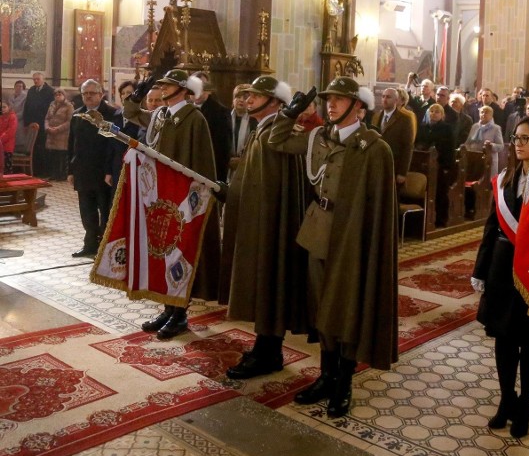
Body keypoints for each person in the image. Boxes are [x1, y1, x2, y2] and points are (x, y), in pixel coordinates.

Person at [269, 76, 398, 418]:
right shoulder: (318, 138)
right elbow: (277, 141)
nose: (331, 104)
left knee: (346, 309)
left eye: (340, 99)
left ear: (358, 106)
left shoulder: (373, 147)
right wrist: (288, 113)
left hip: (351, 237)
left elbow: (379, 208)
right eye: (329, 99)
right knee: (320, 307)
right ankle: (326, 375)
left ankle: (344, 381)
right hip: (319, 230)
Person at [221, 76, 312, 379]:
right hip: (257, 219)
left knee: (270, 283)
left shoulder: (281, 133)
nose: (248, 100)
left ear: (275, 102)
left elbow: (278, 187)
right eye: (247, 95)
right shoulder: (262, 129)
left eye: (256, 96)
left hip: (272, 224)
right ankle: (266, 346)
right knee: (261, 285)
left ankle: (270, 349)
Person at [123, 69, 221, 339]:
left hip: (183, 197)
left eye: (167, 86)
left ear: (182, 89)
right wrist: (136, 97)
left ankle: (180, 314)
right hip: (160, 193)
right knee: (163, 251)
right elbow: (131, 115)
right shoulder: (159, 115)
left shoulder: (194, 119)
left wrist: (195, 199)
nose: (163, 90)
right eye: (161, 86)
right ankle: (168, 308)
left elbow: (201, 162)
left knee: (181, 252)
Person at [472, 117, 529, 438]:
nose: (518, 143)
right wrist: (480, 269)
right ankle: (506, 400)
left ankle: (526, 403)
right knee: (504, 339)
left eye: (526, 138)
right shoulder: (505, 179)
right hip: (502, 268)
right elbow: (491, 226)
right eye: (516, 137)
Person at [67, 80, 119, 258]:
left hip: (103, 172)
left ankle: (104, 246)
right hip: (82, 171)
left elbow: (112, 145)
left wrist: (109, 170)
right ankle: (89, 244)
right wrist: (70, 170)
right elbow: (72, 145)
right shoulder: (77, 115)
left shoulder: (111, 113)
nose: (88, 96)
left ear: (100, 94)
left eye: (92, 93)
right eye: (85, 93)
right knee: (86, 211)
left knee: (105, 211)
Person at [415, 104, 456, 227]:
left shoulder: (447, 128)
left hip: (441, 165)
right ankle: (423, 218)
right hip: (424, 164)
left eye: (437, 112)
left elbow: (450, 148)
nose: (433, 113)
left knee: (440, 193)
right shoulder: (423, 127)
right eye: (431, 111)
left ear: (442, 115)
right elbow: (418, 142)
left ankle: (441, 219)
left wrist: (447, 167)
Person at [192, 71, 233, 181]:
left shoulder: (220, 112)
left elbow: (223, 149)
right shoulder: (186, 109)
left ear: (209, 90)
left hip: (209, 170)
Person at [371, 87, 414, 186]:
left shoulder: (405, 119)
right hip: (376, 165)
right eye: (383, 97)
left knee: (392, 199)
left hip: (394, 165)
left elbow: (408, 147)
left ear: (396, 100)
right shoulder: (376, 116)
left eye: (388, 97)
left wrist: (402, 172)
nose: (385, 99)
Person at [22, 72, 54, 177]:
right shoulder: (31, 90)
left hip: (42, 123)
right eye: (34, 79)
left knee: (43, 148)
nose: (36, 81)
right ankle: (34, 170)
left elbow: (50, 109)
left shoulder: (50, 91)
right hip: (32, 123)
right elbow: (27, 106)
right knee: (34, 148)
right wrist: (26, 123)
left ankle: (44, 172)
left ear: (43, 79)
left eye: (38, 79)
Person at [465, 105, 504, 178]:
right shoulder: (475, 126)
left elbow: (501, 146)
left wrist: (491, 145)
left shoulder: (496, 128)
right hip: (474, 160)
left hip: (488, 161)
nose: (483, 114)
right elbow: (468, 142)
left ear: (491, 115)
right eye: (482, 112)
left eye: (486, 113)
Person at [44, 88, 75, 181]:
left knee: (61, 156)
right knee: (53, 156)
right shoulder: (52, 104)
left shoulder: (69, 106)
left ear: (64, 96)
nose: (57, 96)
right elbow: (47, 118)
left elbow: (70, 121)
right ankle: (54, 174)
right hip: (51, 134)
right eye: (56, 95)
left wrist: (58, 128)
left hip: (62, 134)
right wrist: (47, 127)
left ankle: (62, 175)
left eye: (59, 94)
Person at [230, 83, 257, 158]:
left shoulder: (254, 120)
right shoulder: (225, 118)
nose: (241, 100)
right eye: (238, 97)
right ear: (233, 100)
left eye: (245, 97)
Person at [9, 80, 27, 152]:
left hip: (19, 120)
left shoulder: (25, 97)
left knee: (18, 140)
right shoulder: (11, 96)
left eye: (20, 86)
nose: (18, 88)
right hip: (10, 120)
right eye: (17, 86)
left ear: (23, 88)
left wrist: (13, 117)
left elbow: (24, 111)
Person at [0, 101, 17, 174]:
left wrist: (0, 139)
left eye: (4, 107)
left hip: (7, 144)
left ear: (9, 107)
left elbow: (11, 132)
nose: (2, 109)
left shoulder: (12, 116)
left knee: (7, 166)